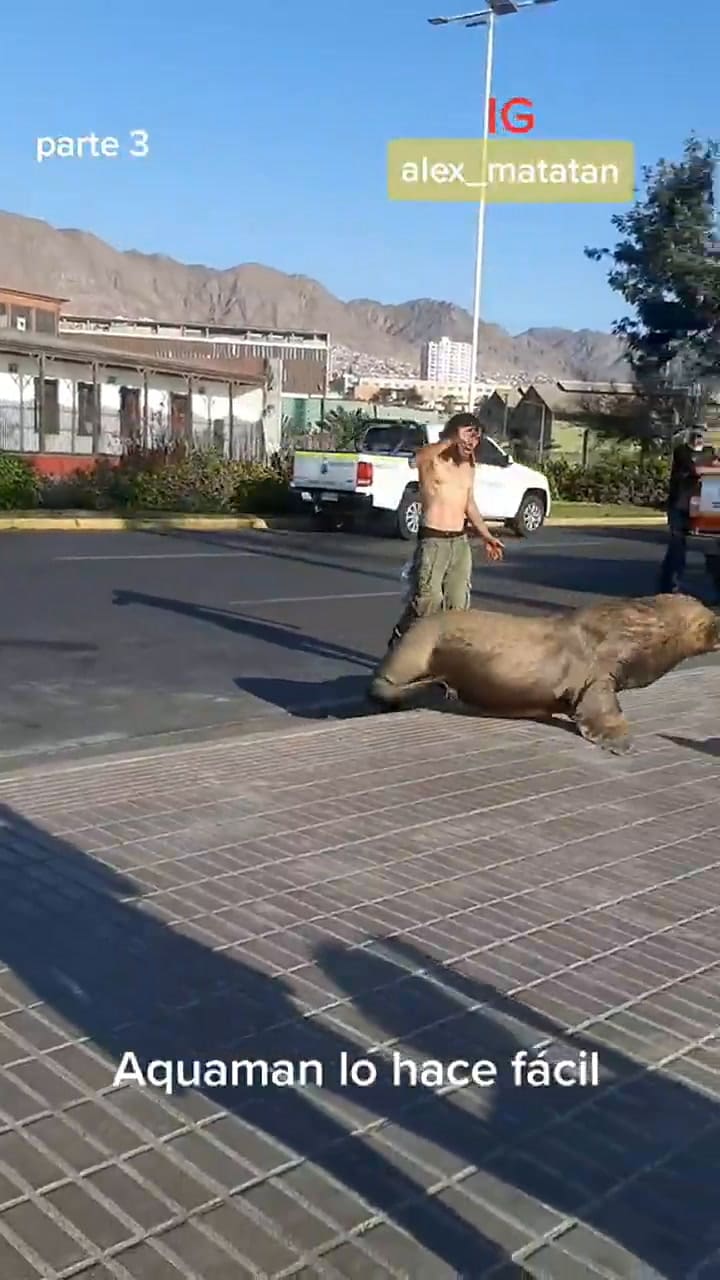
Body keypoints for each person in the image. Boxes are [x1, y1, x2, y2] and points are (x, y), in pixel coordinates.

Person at [384, 411, 504, 650]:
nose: (472, 442)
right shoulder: (433, 461)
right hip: (434, 541)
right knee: (428, 602)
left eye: (476, 438)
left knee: (458, 605)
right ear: (452, 434)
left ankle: (446, 660)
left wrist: (487, 535)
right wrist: (450, 440)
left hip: (459, 543)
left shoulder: (468, 466)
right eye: (467, 435)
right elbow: (416, 459)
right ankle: (401, 635)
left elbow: (469, 504)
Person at [657, 426, 706, 595]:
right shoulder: (682, 452)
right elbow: (693, 468)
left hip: (701, 506)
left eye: (701, 434)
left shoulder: (709, 452)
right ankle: (670, 586)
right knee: (677, 546)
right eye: (695, 434)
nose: (698, 437)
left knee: (711, 549)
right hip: (680, 505)